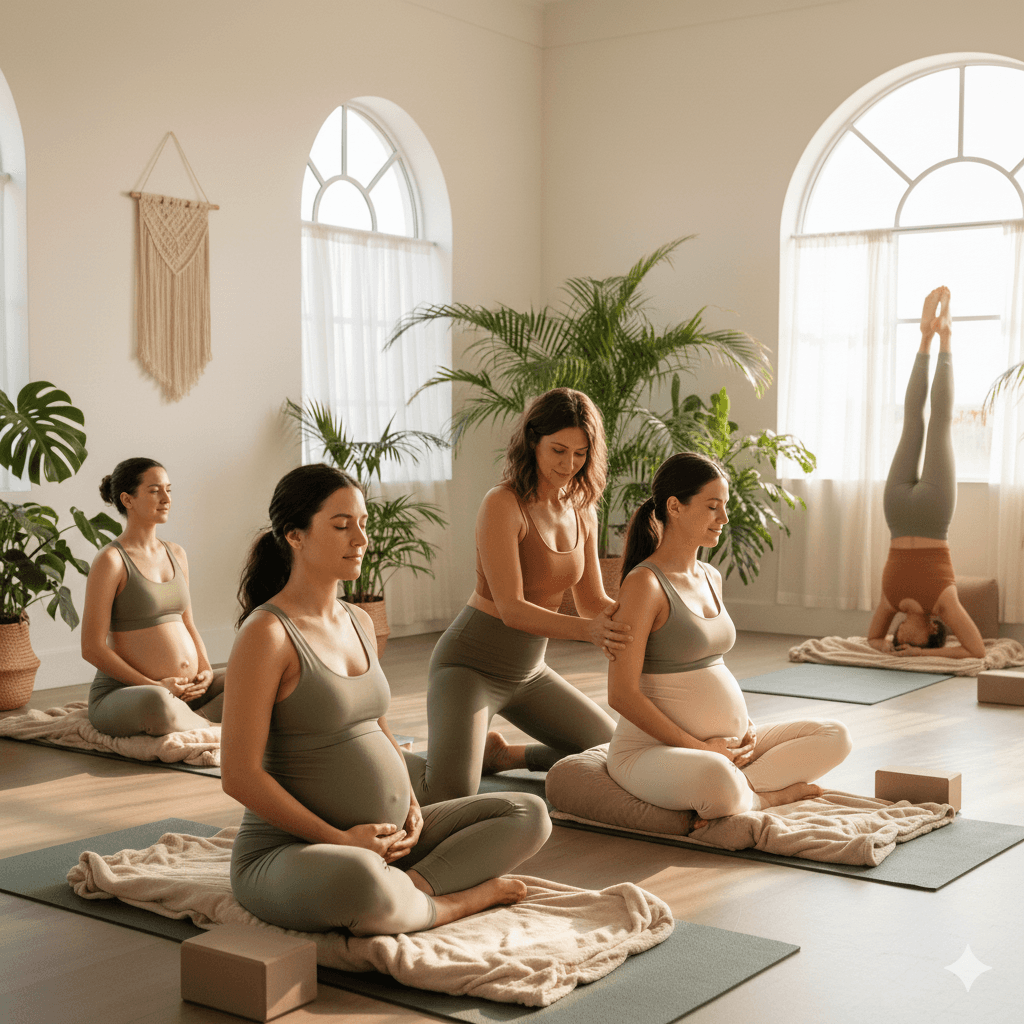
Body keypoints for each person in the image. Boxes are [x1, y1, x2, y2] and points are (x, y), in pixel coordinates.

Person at [222, 464, 550, 935]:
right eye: (341, 526)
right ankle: (455, 902)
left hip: (390, 841)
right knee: (359, 881)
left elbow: (377, 723)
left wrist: (412, 803)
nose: (361, 539)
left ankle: (409, 889)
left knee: (528, 813)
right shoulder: (267, 634)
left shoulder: (357, 619)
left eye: (363, 523)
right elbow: (238, 776)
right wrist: (341, 840)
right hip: (292, 850)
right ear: (295, 535)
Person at [406, 388, 631, 805]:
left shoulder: (583, 509)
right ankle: (378, 754)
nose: (568, 464)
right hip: (469, 668)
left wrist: (638, 618)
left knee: (613, 752)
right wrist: (591, 631)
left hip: (529, 675)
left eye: (580, 453)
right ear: (533, 441)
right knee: (449, 791)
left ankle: (504, 755)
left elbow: (592, 601)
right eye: (558, 450)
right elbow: (511, 609)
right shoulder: (503, 504)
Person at [606, 452, 852, 826]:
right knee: (714, 778)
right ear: (675, 507)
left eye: (725, 507)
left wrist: (745, 726)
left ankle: (740, 794)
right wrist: (704, 749)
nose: (724, 518)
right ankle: (766, 798)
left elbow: (714, 673)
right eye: (712, 507)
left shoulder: (710, 576)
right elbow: (621, 694)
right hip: (653, 751)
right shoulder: (645, 584)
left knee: (836, 735)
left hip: (727, 748)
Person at [867, 287, 986, 660]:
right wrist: (923, 658)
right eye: (909, 642)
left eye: (898, 641)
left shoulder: (891, 602)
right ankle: (944, 337)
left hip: (897, 513)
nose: (900, 640)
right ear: (933, 631)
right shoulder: (944, 604)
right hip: (935, 512)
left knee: (909, 423)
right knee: (939, 424)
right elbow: (977, 650)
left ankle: (924, 337)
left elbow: (873, 641)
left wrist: (891, 649)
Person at [82, 458, 224, 738]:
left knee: (250, 678)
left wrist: (206, 668)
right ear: (127, 499)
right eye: (154, 490)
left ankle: (189, 720)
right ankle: (212, 727)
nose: (166, 498)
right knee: (156, 703)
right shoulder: (111, 561)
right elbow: (92, 648)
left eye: (169, 489)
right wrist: (156, 685)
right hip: (131, 692)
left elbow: (188, 623)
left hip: (185, 691)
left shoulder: (176, 554)